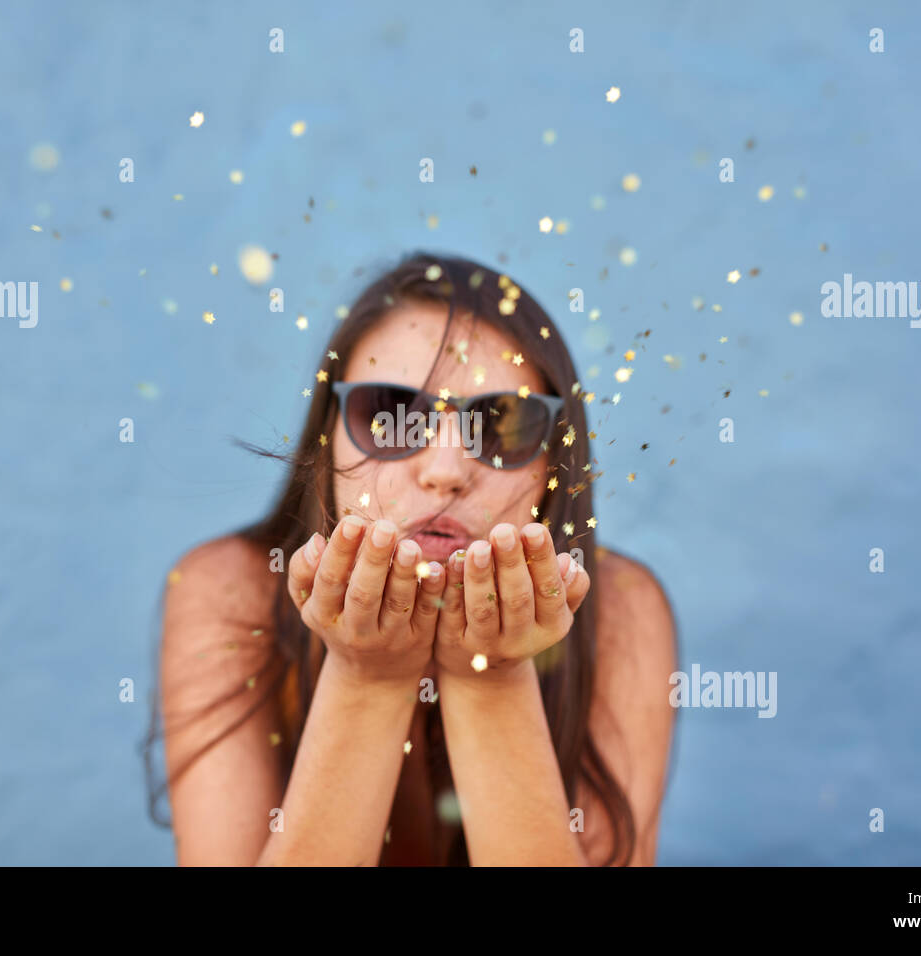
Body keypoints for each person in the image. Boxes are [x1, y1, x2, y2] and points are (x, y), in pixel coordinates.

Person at [147, 252, 677, 865]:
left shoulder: (620, 610)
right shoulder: (230, 590)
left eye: (503, 424)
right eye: (391, 415)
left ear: (552, 465)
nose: (445, 471)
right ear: (327, 438)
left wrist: (492, 673)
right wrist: (367, 676)